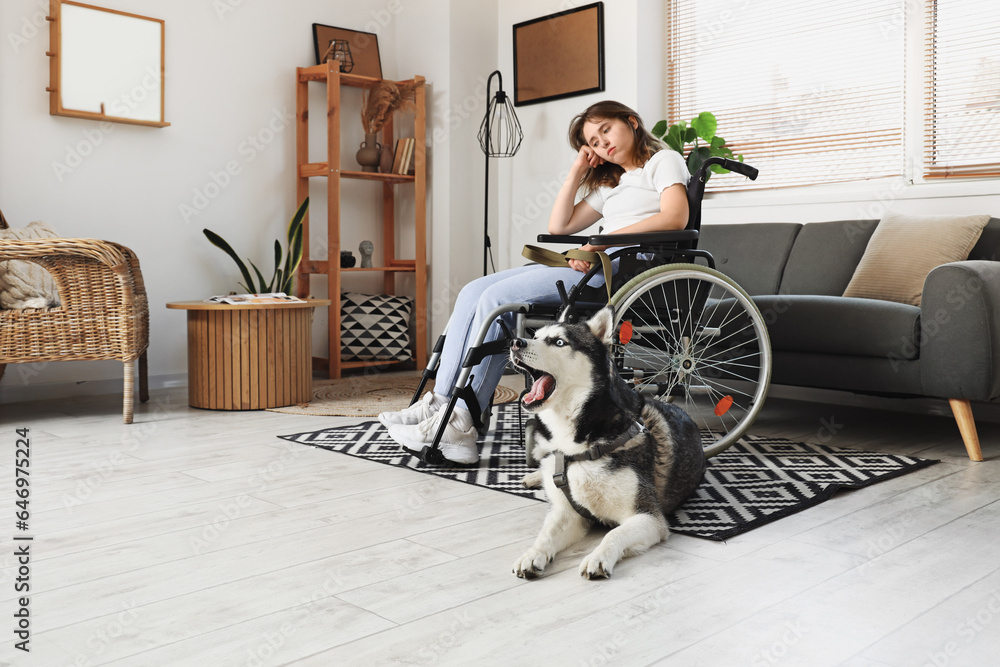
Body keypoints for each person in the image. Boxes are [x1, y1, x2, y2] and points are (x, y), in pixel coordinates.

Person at [378, 100, 691, 464]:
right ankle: (442, 404)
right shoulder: (614, 184)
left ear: (632, 122)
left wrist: (603, 241)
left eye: (606, 129)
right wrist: (577, 169)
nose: (603, 143)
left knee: (499, 300)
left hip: (621, 273)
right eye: (593, 140)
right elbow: (560, 226)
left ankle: (460, 420)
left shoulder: (662, 162)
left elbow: (676, 216)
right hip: (596, 263)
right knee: (473, 292)